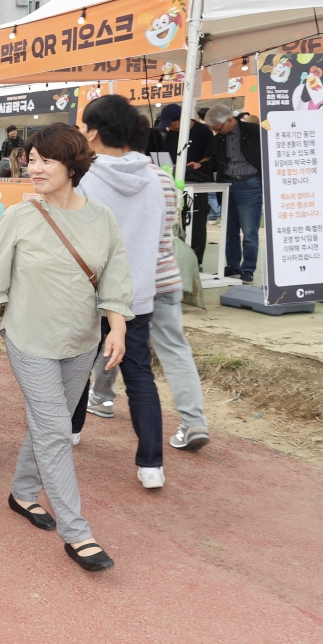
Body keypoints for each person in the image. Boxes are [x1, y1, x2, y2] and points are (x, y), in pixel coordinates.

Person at [0, 123, 132, 572]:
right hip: (30, 340)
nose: (34, 166)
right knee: (55, 432)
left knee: (53, 425)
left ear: (72, 164)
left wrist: (116, 328)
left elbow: (115, 278)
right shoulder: (21, 217)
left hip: (81, 341)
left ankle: (24, 492)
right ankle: (77, 532)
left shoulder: (101, 217)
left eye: (46, 159)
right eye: (31, 158)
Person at [78, 117, 211, 451]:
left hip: (121, 282)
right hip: (163, 278)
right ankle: (193, 422)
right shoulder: (163, 179)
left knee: (111, 338)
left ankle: (102, 397)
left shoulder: (95, 179)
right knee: (171, 349)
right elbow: (168, 231)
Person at [75, 95, 168, 489]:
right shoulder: (154, 176)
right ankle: (151, 465)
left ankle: (71, 430)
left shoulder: (85, 179)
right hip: (138, 294)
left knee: (77, 366)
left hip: (91, 294)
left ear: (93, 132)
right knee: (140, 376)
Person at [207, 106, 262, 284]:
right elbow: (217, 160)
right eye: (213, 129)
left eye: (218, 128)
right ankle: (232, 265)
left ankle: (248, 269)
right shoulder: (220, 138)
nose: (216, 132)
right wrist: (202, 165)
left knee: (249, 231)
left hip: (249, 184)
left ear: (229, 120)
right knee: (229, 230)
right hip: (227, 184)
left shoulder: (253, 131)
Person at [161, 104, 214, 264]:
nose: (169, 127)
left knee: (196, 223)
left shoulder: (202, 132)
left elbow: (210, 156)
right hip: (173, 184)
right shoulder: (169, 134)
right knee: (174, 222)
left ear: (182, 119)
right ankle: (176, 260)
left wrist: (198, 164)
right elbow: (164, 157)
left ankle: (196, 261)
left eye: (171, 123)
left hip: (196, 184)